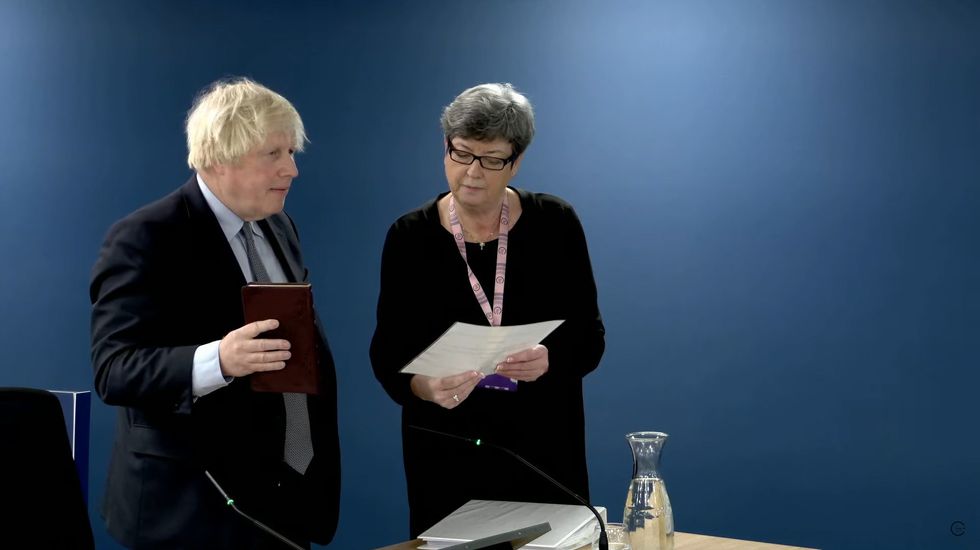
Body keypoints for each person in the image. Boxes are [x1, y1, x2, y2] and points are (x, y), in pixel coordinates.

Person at [90, 78, 340, 549]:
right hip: (191, 509)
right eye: (274, 154)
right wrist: (219, 360)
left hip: (282, 500)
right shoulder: (144, 237)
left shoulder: (279, 224)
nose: (292, 169)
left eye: (292, 153)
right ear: (220, 155)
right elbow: (114, 370)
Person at [370, 83, 605, 536]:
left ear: (516, 161)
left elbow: (590, 339)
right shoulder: (409, 237)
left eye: (491, 159)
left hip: (543, 451)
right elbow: (387, 353)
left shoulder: (556, 224)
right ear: (446, 148)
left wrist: (550, 359)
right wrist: (422, 386)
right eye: (461, 154)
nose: (472, 173)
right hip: (446, 454)